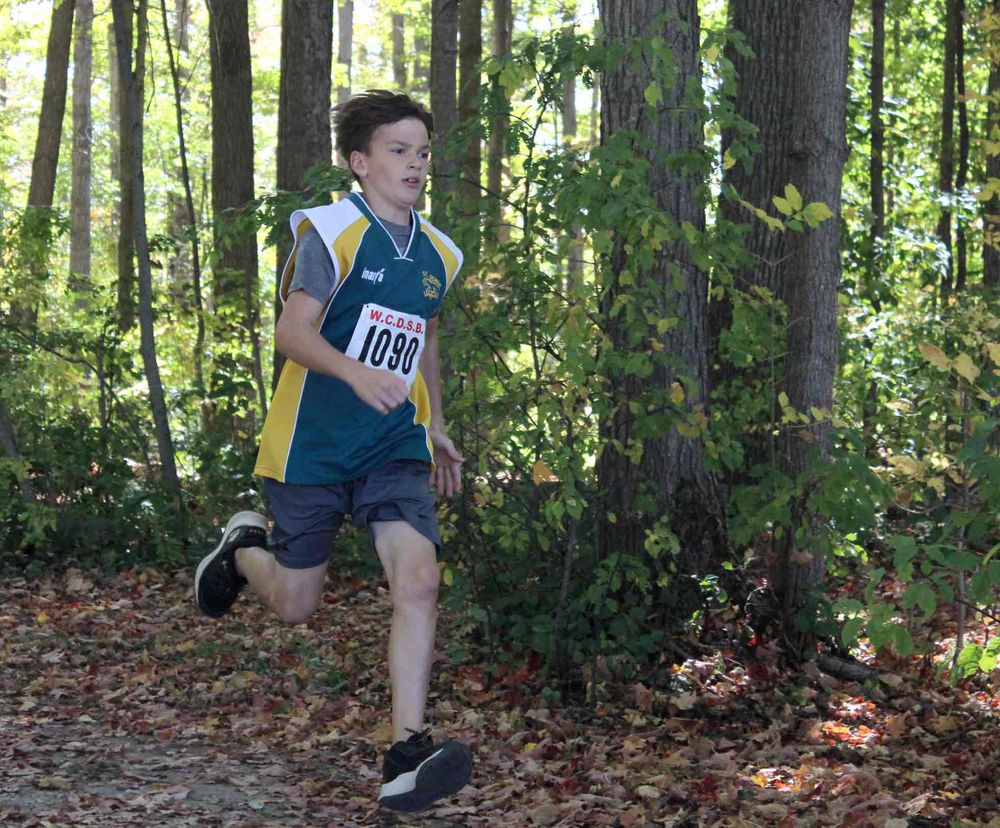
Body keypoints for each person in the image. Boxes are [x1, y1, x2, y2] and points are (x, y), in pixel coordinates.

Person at [193, 90, 471, 813]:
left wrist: (436, 421)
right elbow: (291, 333)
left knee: (419, 579)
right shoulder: (331, 232)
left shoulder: (441, 253)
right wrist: (354, 372)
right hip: (311, 445)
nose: (415, 164)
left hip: (393, 441)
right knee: (296, 603)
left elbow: (424, 333)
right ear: (360, 162)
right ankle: (242, 550)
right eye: (398, 150)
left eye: (423, 152)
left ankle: (407, 752)